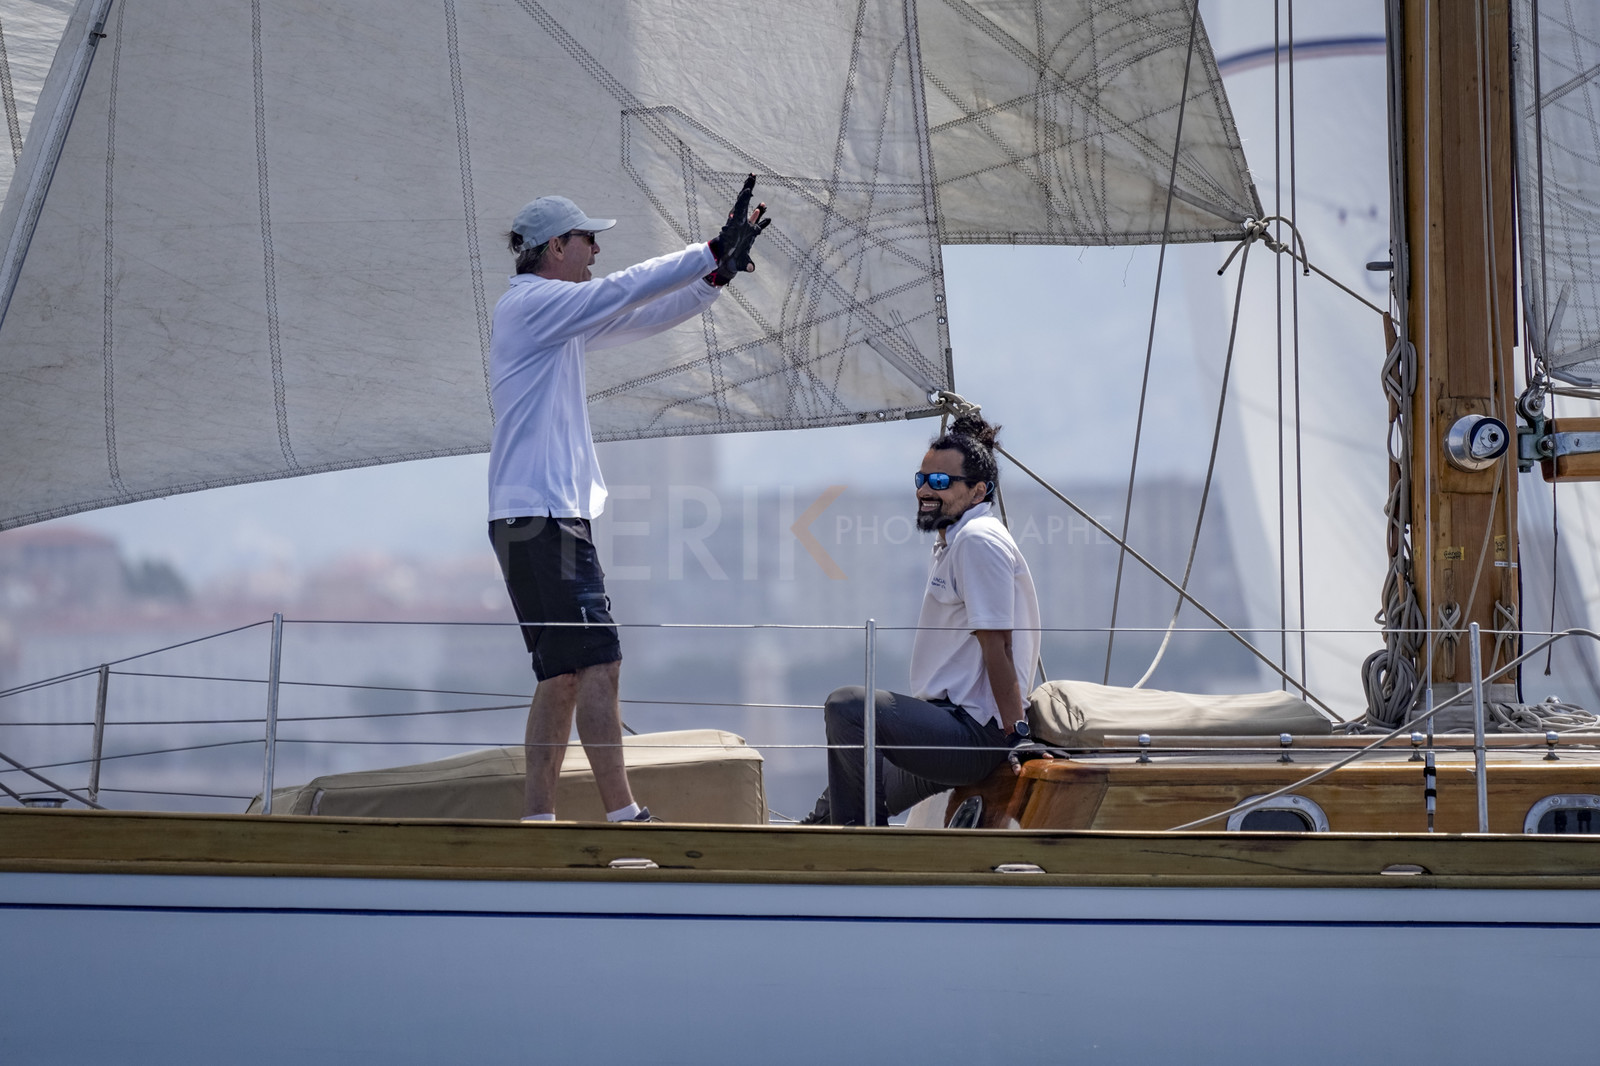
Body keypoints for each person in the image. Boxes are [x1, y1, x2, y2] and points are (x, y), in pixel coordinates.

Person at [489, 178, 770, 823]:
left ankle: (537, 821)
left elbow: (638, 317)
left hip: (536, 515)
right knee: (601, 662)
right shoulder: (533, 304)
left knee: (560, 674)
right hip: (543, 517)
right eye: (589, 240)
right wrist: (707, 249)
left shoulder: (552, 316)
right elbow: (624, 290)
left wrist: (713, 280)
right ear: (556, 246)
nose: (596, 253)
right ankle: (622, 813)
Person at [804, 413, 1041, 826]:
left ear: (977, 490)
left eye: (941, 483)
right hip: (944, 725)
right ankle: (833, 842)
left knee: (847, 708)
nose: (926, 491)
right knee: (829, 807)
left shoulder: (978, 540)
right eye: (922, 479)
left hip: (973, 736)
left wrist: (1016, 737)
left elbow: (999, 646)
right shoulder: (954, 539)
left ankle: (862, 851)